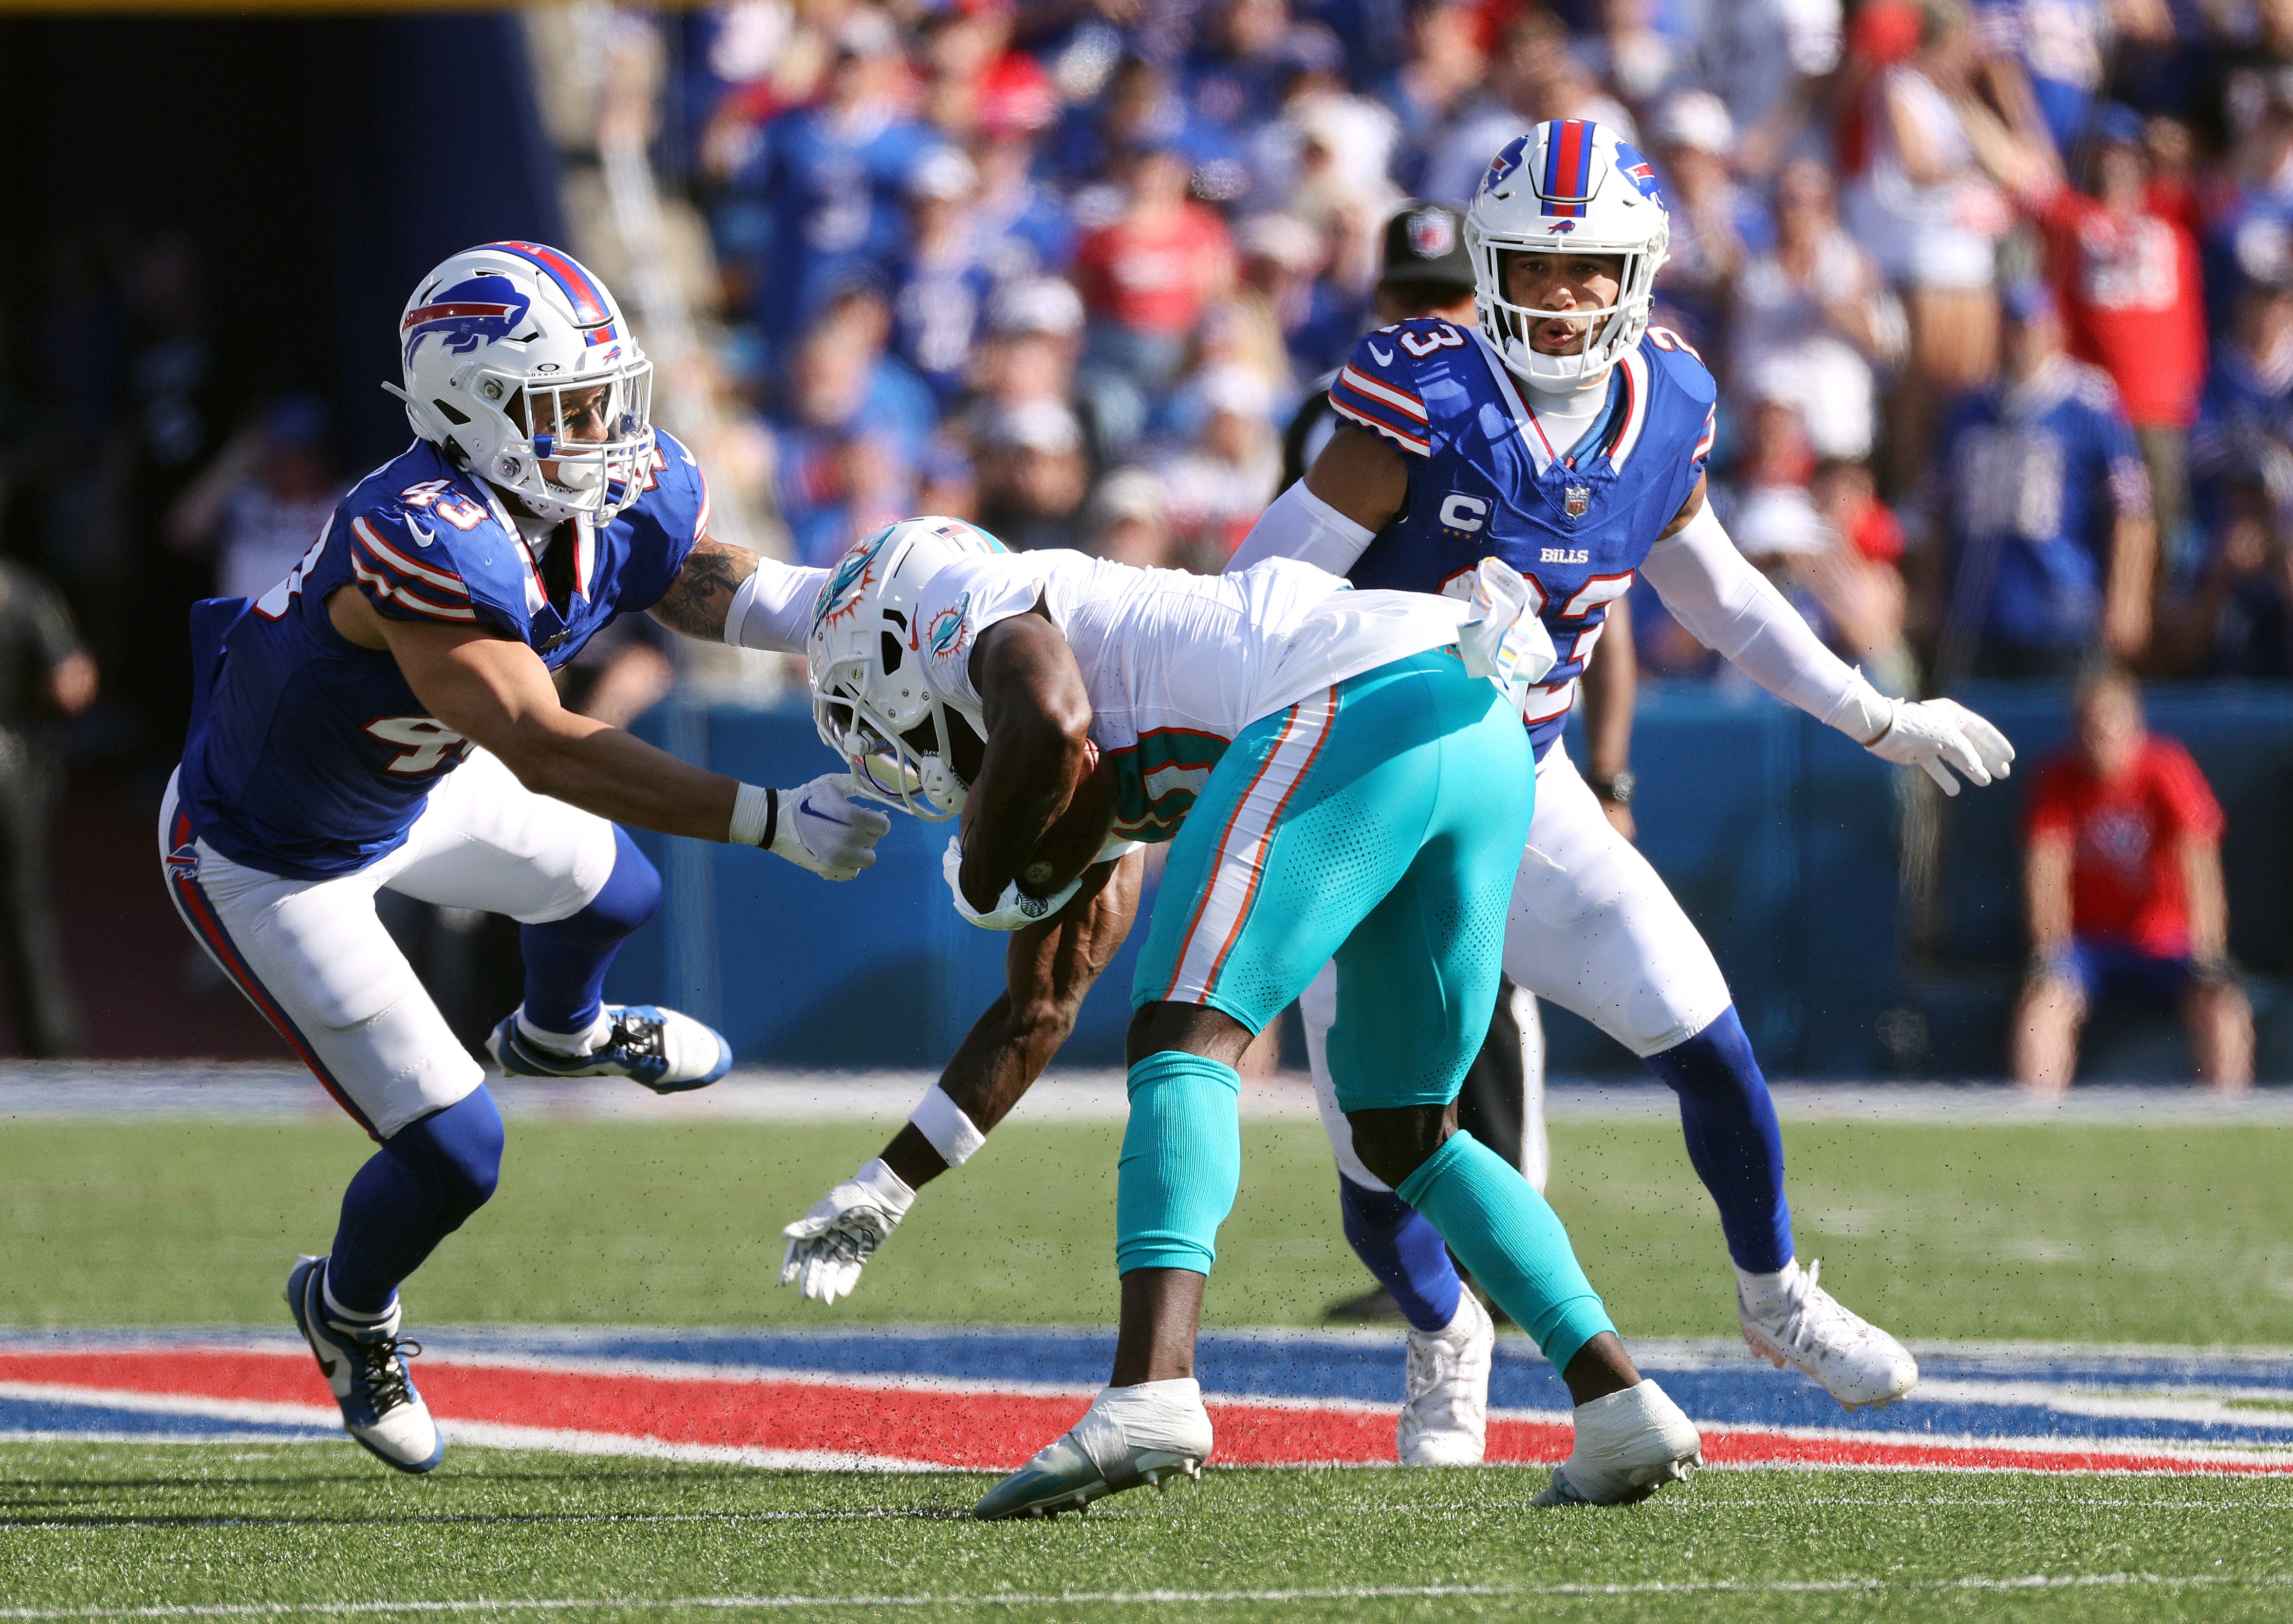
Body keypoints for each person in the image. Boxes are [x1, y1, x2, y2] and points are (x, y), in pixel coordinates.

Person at [1225, 119, 2016, 1422]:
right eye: (1534, 264)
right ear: (1490, 267)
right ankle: (1443, 1333)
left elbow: (1720, 593)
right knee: (1381, 1147)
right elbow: (1261, 588)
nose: (1562, 293)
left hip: (1521, 782)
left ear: (1636, 270)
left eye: (1590, 265)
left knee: (1703, 1030)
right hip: (1364, 785)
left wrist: (1871, 712)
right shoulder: (1423, 393)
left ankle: (1772, 1292)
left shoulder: (1669, 402)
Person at [796, 515, 1704, 1516]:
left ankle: (1150, 1389)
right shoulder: (1081, 735)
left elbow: (1051, 716)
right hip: (1470, 719)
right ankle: (1619, 1401)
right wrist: (889, 1180)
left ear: (900, 644)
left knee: (1184, 1035)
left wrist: (978, 873)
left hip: (1352, 700)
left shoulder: (992, 623)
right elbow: (1037, 1007)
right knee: (1407, 1125)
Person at [161, 243, 887, 1476]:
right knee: (457, 1151)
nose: (606, 427)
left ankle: (561, 1031)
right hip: (267, 855)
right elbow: (547, 745)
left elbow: (699, 584)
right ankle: (346, 1311)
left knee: (616, 892)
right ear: (467, 407)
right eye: (568, 404)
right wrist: (770, 818)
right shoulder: (417, 528)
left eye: (608, 394)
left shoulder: (599, 485)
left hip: (413, 787)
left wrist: (856, 604)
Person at [2012, 667, 2252, 1095]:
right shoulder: (2058, 778)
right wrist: (2049, 953)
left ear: (2135, 724)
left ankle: (2226, 1119)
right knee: (2044, 1006)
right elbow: (2045, 873)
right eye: (2092, 723)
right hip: (2087, 946)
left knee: (2223, 1006)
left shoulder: (2166, 768)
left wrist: (2209, 951)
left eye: (2113, 720)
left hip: (2164, 941)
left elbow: (2199, 863)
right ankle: (2035, 1120)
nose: (2103, 733)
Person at [1931, 280, 2156, 680]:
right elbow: (1937, 507)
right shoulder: (1968, 409)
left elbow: (2131, 509)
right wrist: (1931, 592)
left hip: (2060, 604)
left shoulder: (2087, 406)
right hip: (1979, 609)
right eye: (2010, 327)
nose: (2018, 339)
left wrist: (2126, 599)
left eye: (2029, 327)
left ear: (2053, 331)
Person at [0, 558, 97, 1057]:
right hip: (11, 764)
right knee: (25, 910)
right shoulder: (22, 588)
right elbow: (73, 683)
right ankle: (51, 1049)